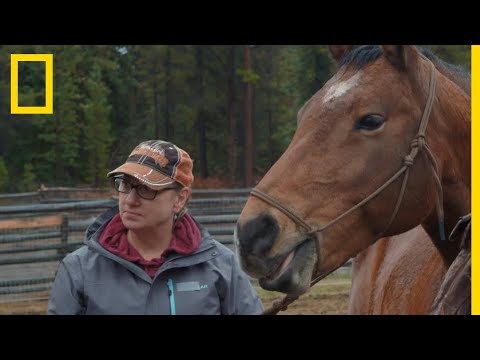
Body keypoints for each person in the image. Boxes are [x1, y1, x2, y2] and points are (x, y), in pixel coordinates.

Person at [47, 140, 264, 315]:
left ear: (179, 199)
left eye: (146, 189)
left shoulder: (220, 267)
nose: (130, 200)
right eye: (126, 185)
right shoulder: (79, 270)